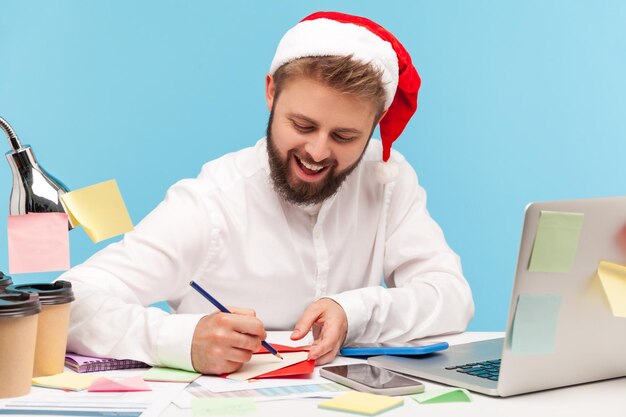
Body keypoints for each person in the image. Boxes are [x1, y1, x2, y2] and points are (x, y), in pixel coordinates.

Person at [59, 11, 474, 375]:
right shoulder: (211, 201)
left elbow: (452, 298)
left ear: (377, 122)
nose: (317, 152)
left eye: (345, 135)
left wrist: (355, 311)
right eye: (303, 125)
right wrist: (181, 340)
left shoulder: (386, 179)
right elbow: (69, 304)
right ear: (271, 92)